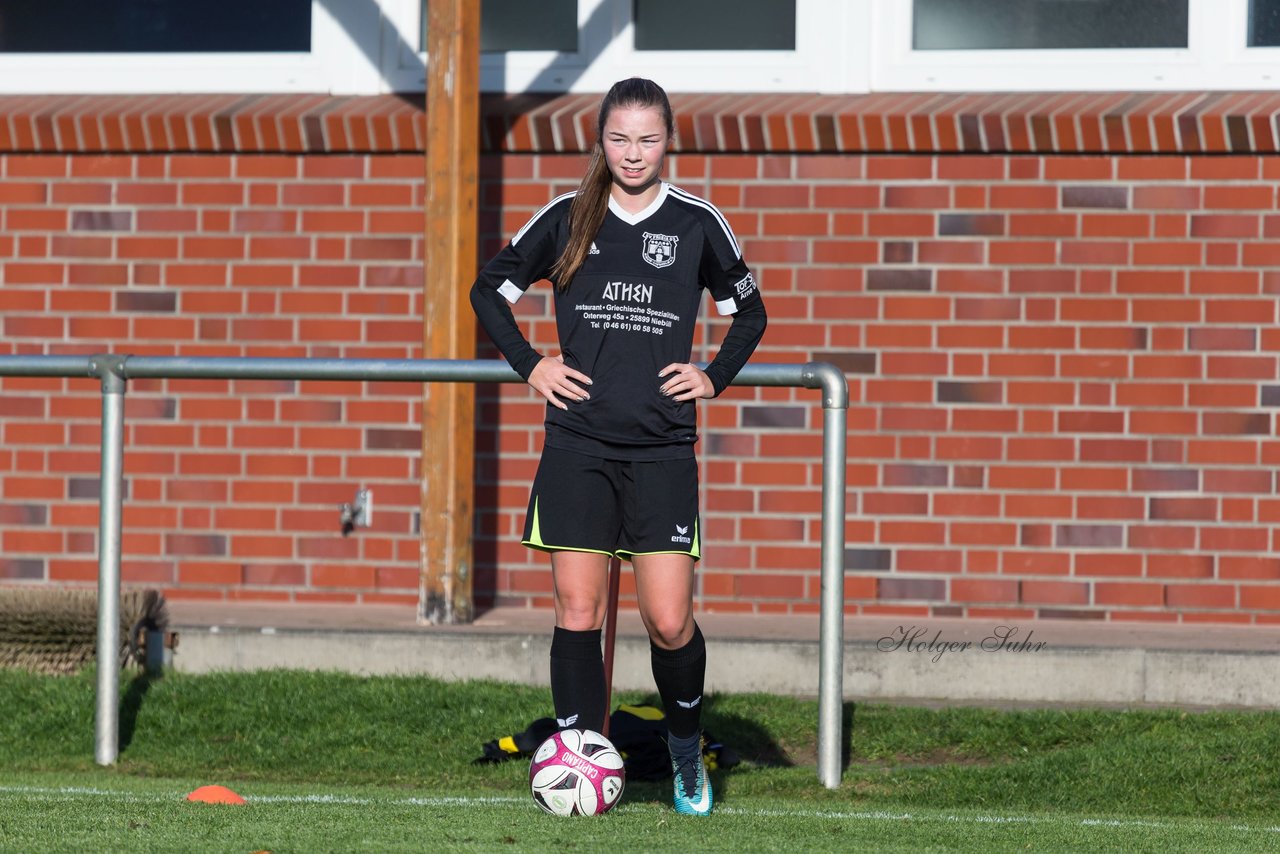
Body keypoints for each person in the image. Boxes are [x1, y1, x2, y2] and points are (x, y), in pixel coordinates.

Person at [470, 77, 766, 817]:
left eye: (648, 138)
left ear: (669, 141)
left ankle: (685, 751)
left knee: (667, 621)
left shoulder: (699, 223)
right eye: (619, 138)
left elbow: (749, 311)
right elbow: (489, 290)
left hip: (663, 450)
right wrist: (533, 364)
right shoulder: (569, 218)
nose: (633, 153)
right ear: (600, 141)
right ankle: (575, 759)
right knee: (579, 612)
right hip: (577, 447)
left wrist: (713, 376)